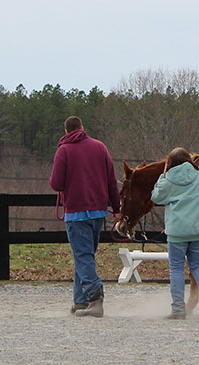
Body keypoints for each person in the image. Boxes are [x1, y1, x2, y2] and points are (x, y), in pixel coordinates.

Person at [49, 116, 121, 317]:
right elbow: (112, 182)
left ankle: (94, 296)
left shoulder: (63, 150)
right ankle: (80, 301)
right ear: (82, 128)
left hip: (76, 212)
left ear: (66, 131)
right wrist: (117, 209)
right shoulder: (100, 148)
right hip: (98, 212)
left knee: (82, 256)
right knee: (85, 256)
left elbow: (56, 183)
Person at [151, 147, 199, 319]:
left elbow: (156, 197)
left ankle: (178, 308)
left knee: (176, 268)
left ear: (169, 163)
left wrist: (162, 175)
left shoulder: (168, 180)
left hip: (177, 233)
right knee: (197, 266)